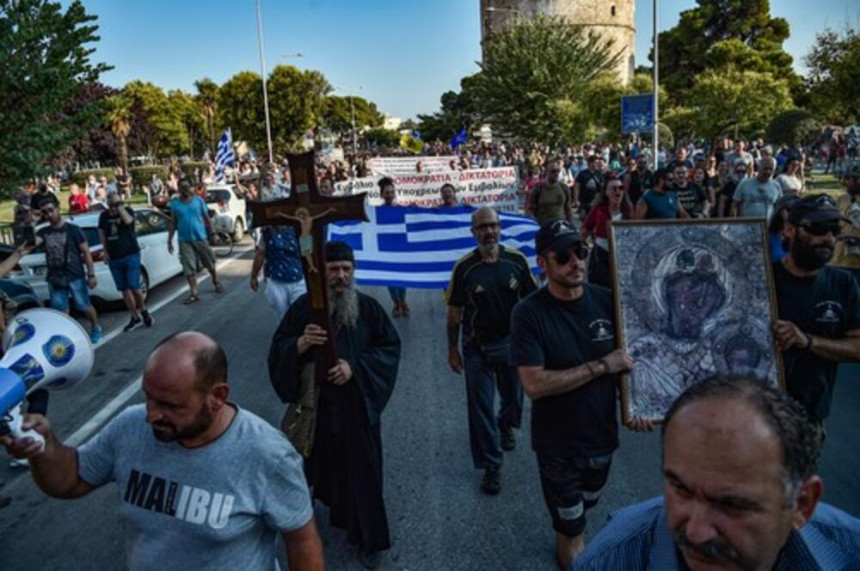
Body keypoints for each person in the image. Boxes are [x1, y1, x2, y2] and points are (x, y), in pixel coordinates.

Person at [1, 332, 325, 570]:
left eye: (169, 405)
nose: (151, 415)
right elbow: (70, 480)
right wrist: (43, 447)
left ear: (217, 396)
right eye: (148, 397)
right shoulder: (131, 426)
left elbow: (301, 540)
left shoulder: (267, 454)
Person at [573, 376, 860, 570]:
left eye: (731, 504)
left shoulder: (851, 550)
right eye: (680, 489)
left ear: (801, 503)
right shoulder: (608, 561)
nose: (696, 533)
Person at [510, 220, 649, 569]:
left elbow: (637, 360)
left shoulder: (607, 301)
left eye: (581, 252)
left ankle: (567, 527)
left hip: (602, 440)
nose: (576, 262)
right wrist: (601, 366)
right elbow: (535, 384)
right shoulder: (528, 313)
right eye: (563, 256)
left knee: (585, 509)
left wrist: (642, 404)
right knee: (572, 529)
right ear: (543, 262)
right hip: (558, 449)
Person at [268, 241, 400, 569]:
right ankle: (313, 525)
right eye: (333, 269)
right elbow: (278, 347)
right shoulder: (303, 309)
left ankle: (369, 539)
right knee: (318, 467)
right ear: (321, 273)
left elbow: (389, 347)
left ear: (353, 270)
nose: (340, 276)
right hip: (319, 410)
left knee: (363, 472)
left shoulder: (368, 308)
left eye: (346, 269)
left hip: (357, 406)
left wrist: (354, 367)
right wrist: (299, 344)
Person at [446, 207, 537, 495]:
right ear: (473, 232)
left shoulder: (517, 261)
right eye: (483, 227)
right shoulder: (464, 268)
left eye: (494, 225)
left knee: (513, 400)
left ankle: (507, 424)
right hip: (477, 348)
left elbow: (533, 303)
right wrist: (452, 350)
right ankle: (491, 466)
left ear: (500, 227)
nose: (490, 232)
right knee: (480, 409)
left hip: (512, 346)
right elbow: (454, 314)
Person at [771, 194, 860, 437]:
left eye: (834, 229)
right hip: (753, 417)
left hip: (807, 419)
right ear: (789, 229)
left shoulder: (843, 284)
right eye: (818, 228)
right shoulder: (762, 278)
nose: (828, 238)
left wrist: (808, 341)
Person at [33, 202, 102, 344]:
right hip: (55, 277)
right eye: (45, 212)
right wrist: (32, 223)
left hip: (74, 274)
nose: (49, 214)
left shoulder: (74, 230)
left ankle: (95, 326)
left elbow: (86, 253)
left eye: (51, 210)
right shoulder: (44, 232)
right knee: (61, 310)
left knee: (83, 305)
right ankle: (66, 336)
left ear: (58, 209)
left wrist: (91, 275)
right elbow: (30, 244)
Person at [98, 193, 153, 332]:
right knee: (124, 289)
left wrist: (120, 207)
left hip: (130, 254)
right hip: (115, 257)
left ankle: (144, 311)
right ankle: (134, 317)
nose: (113, 208)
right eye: (111, 205)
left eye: (116, 204)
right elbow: (102, 234)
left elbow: (128, 221)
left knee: (134, 286)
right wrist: (105, 251)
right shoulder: (104, 216)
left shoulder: (127, 211)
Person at [167, 178, 223, 304]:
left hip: (200, 237)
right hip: (184, 240)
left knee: (209, 262)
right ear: (179, 189)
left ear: (191, 187)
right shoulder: (175, 204)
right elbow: (173, 222)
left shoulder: (198, 201)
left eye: (187, 186)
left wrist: (213, 232)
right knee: (188, 267)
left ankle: (215, 280)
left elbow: (206, 218)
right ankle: (194, 293)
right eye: (182, 187)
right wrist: (169, 240)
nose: (185, 189)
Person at [580, 178, 633, 288]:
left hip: (621, 255)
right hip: (601, 255)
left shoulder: (628, 210)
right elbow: (585, 230)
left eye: (620, 188)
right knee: (600, 287)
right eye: (614, 189)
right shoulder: (599, 209)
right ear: (606, 192)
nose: (617, 191)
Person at [250, 226, 307, 322]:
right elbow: (260, 254)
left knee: (299, 315)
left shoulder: (299, 228)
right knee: (283, 319)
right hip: (276, 283)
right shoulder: (267, 232)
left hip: (299, 281)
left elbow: (308, 251)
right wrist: (253, 276)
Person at [379, 177, 408, 317]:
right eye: (387, 192)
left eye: (392, 192)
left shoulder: (402, 209)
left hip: (400, 249)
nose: (389, 195)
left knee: (401, 277)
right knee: (390, 278)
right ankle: (396, 303)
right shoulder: (377, 211)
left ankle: (402, 301)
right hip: (386, 249)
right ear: (382, 195)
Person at [830, 163, 860, 286]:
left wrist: (856, 239)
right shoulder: (842, 199)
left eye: (849, 178)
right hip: (838, 261)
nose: (845, 182)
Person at [529, 158, 573, 225]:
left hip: (560, 226)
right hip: (543, 226)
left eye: (558, 171)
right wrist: (533, 222)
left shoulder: (564, 188)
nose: (556, 173)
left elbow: (568, 208)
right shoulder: (538, 189)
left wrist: (569, 224)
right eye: (553, 171)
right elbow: (530, 208)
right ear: (547, 172)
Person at [768, 194, 799, 263]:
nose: (793, 213)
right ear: (781, 211)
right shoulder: (769, 235)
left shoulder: (805, 233)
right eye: (789, 209)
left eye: (796, 210)